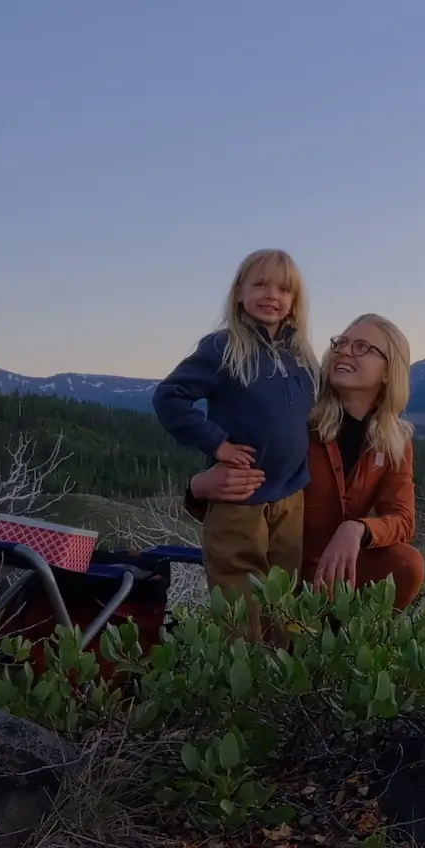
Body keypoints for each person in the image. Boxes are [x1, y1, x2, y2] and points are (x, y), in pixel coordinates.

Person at [188, 313, 425, 608]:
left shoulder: (395, 441)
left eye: (363, 347)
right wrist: (198, 487)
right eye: (342, 343)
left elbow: (403, 519)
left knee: (406, 563)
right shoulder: (297, 417)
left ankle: (346, 646)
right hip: (279, 569)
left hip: (334, 576)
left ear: (389, 372)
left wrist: (358, 529)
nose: (345, 351)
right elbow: (241, 494)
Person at [153, 249, 319, 624]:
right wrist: (217, 443)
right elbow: (169, 397)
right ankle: (240, 677)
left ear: (294, 301)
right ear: (239, 292)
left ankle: (279, 676)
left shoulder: (302, 356)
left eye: (283, 289)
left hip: (291, 496)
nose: (271, 295)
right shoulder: (223, 347)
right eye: (259, 284)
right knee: (238, 601)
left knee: (283, 597)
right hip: (239, 497)